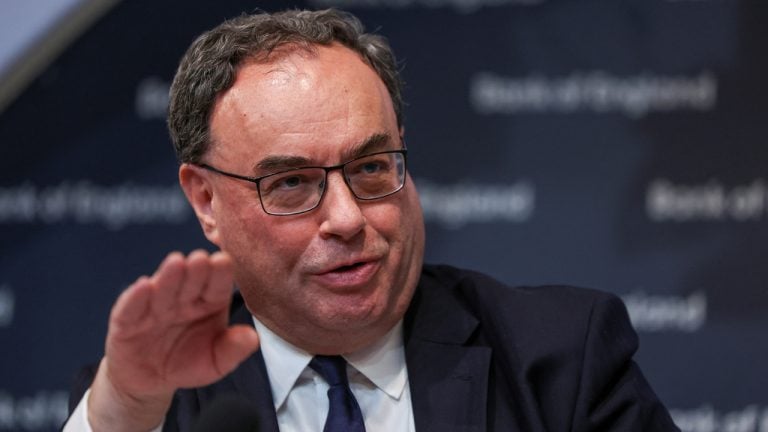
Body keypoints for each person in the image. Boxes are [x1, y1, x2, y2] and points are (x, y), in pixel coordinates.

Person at [63, 8, 680, 432]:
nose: (347, 217)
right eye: (291, 183)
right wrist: (126, 409)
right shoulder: (152, 403)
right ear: (205, 201)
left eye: (371, 167)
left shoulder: (558, 358)